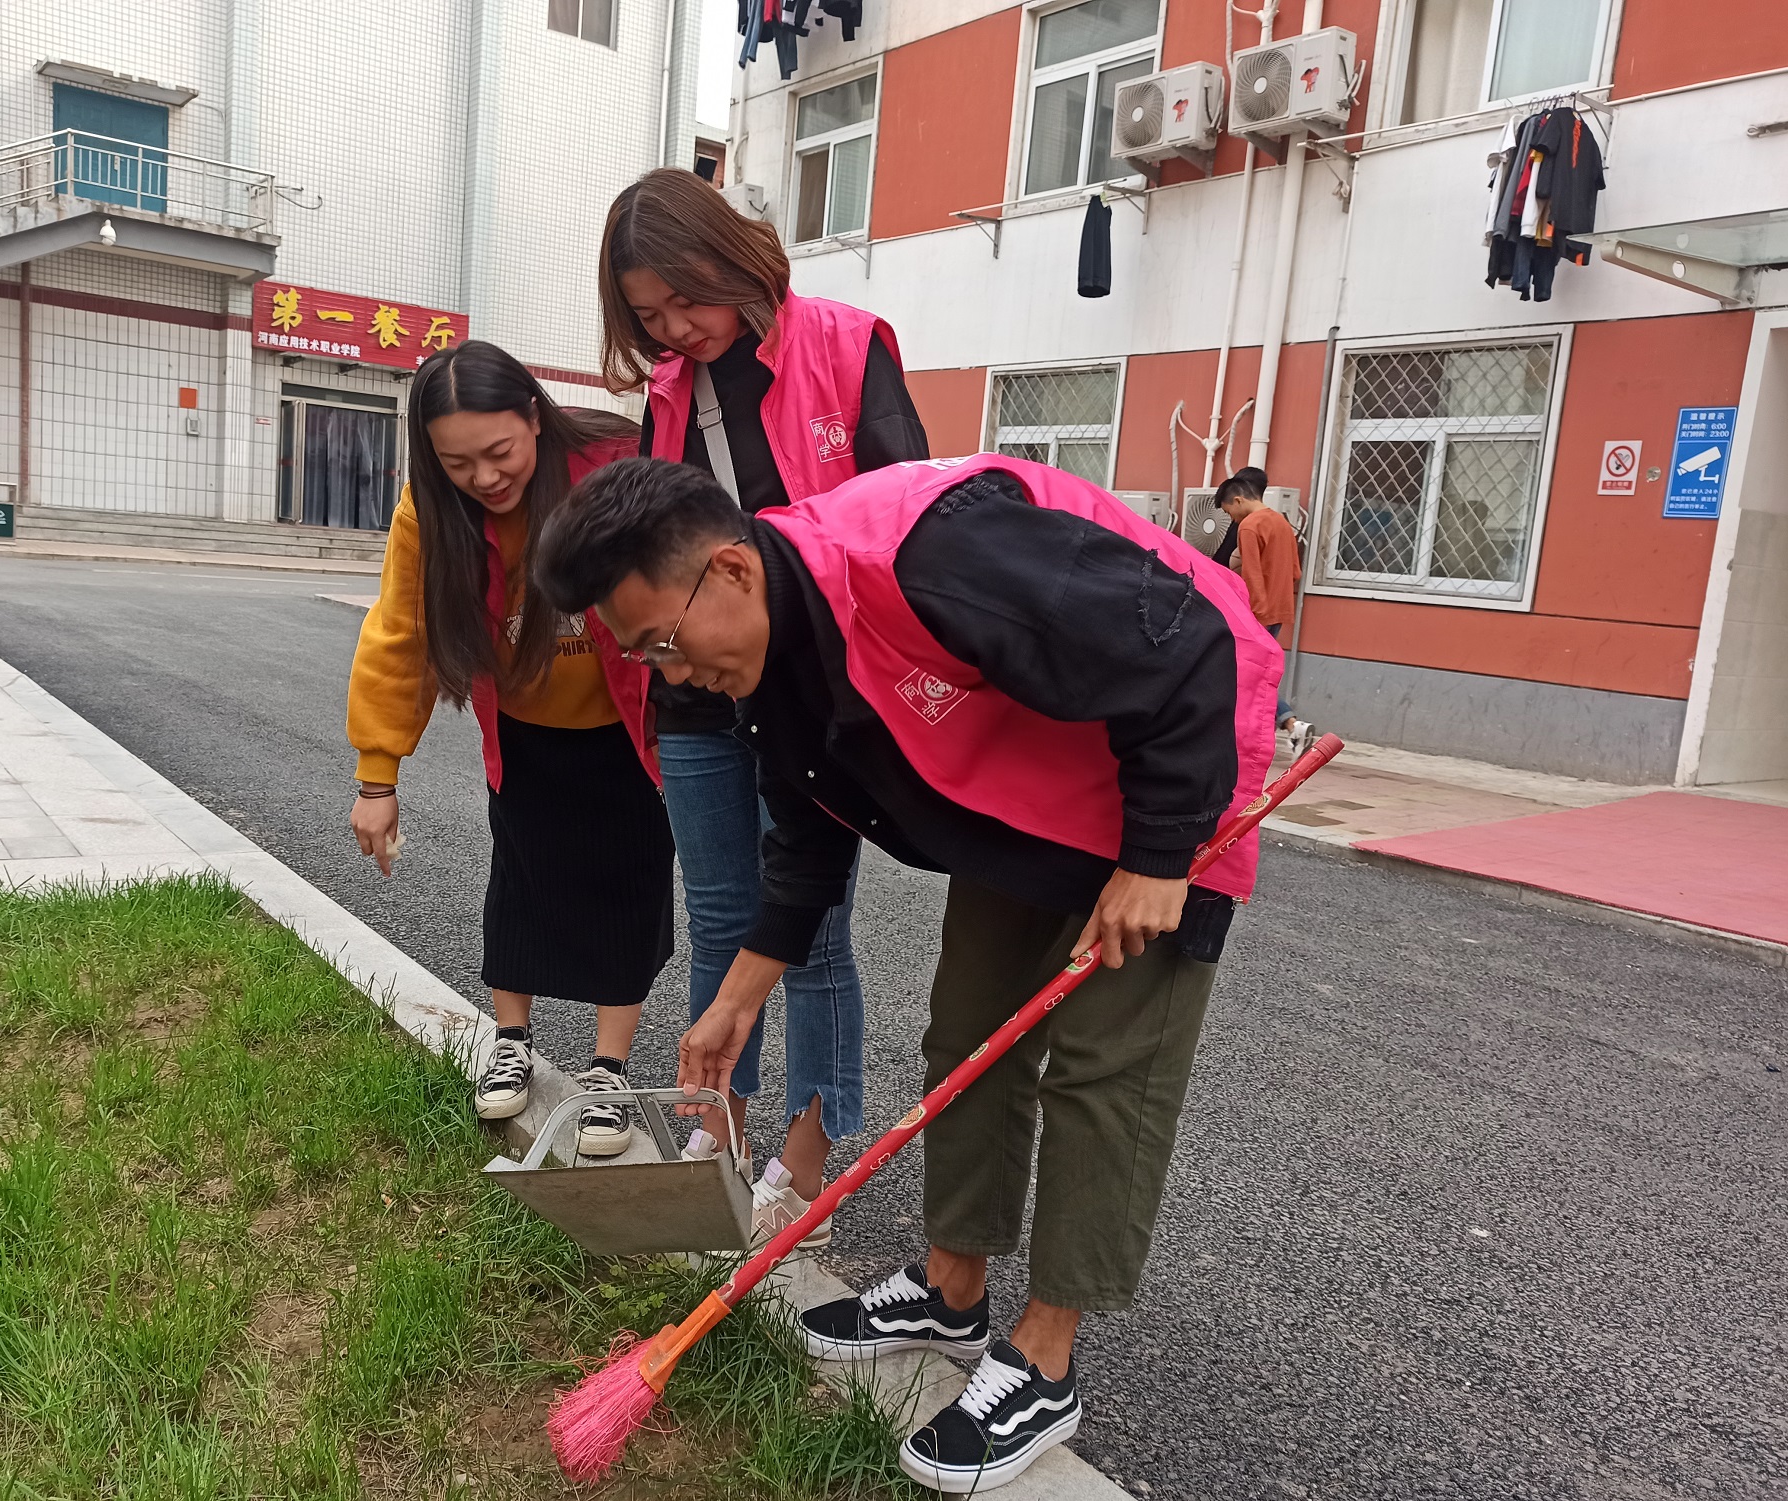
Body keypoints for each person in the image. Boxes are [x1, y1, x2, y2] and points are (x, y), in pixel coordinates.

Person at [533, 453, 1280, 1492]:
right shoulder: (771, 653)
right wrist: (737, 998)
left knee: (1102, 1075)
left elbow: (1185, 640)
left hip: (1177, 757)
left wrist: (1158, 855)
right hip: (1031, 790)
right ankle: (950, 1288)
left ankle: (1045, 1357)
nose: (669, 673)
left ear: (730, 571)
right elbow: (806, 830)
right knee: (967, 1038)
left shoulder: (932, 553)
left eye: (662, 642)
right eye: (642, 656)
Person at [596, 166, 930, 1243]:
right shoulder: (667, 390)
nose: (673, 329)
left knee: (814, 931)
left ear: (725, 255)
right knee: (719, 917)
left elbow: (906, 516)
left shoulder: (844, 344)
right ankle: (720, 1130)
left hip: (810, 689)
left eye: (683, 299)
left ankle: (808, 1156)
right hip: (695, 692)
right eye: (648, 316)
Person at [346, 341, 671, 1157]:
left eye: (499, 452)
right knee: (520, 886)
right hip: (524, 734)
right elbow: (399, 633)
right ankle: (512, 1042)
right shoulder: (431, 509)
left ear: (534, 414)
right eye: (458, 463)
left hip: (627, 730)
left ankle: (608, 1071)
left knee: (628, 891)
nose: (485, 478)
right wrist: (377, 776)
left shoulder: (611, 463)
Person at [1213, 466, 1314, 753]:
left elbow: (1252, 576)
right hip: (1279, 609)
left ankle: (1287, 726)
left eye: (1229, 512)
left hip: (1257, 614)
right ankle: (1286, 727)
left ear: (1238, 500)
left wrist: (1253, 616)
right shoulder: (1281, 522)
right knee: (1255, 675)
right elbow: (1295, 572)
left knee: (1245, 675)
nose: (1232, 519)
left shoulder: (1249, 526)